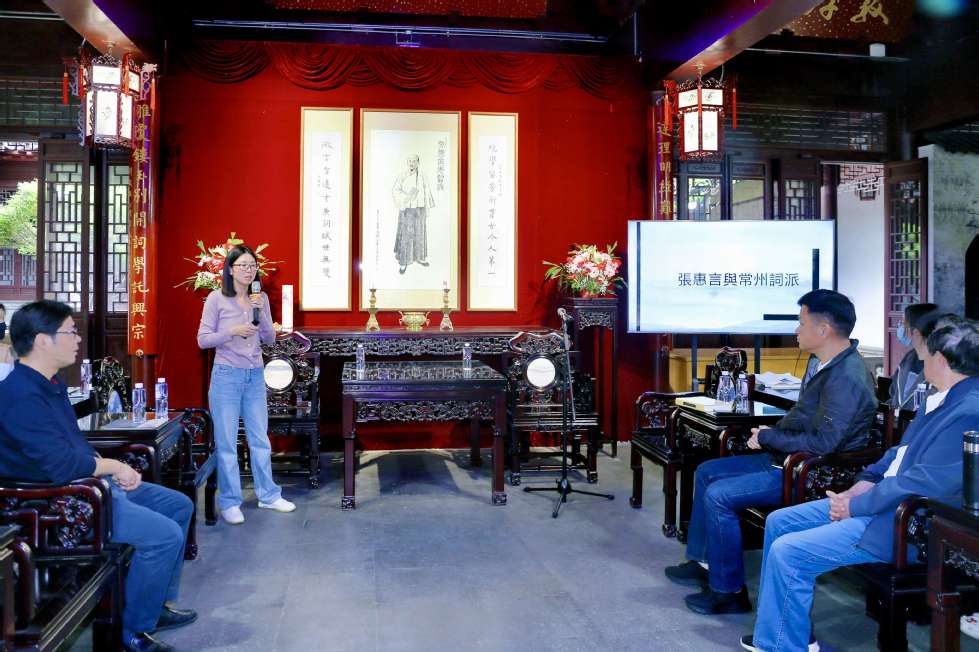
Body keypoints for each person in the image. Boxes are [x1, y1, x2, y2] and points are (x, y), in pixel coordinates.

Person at [740, 315, 979, 652]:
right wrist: (863, 483)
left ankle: (782, 646)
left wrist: (856, 505)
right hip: (881, 503)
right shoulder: (942, 398)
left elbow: (924, 483)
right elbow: (898, 453)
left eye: (925, 352)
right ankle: (785, 635)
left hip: (906, 522)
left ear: (940, 359)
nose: (919, 357)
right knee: (780, 521)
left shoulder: (969, 410)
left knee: (788, 552)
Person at [665, 289, 878, 616]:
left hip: (814, 472)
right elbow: (805, 420)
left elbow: (825, 444)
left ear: (823, 329)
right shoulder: (824, 363)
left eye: (801, 322)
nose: (796, 330)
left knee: (720, 495)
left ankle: (729, 591)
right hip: (789, 460)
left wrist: (768, 437)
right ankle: (705, 562)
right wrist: (769, 436)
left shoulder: (847, 377)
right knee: (707, 471)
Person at [0, 300, 197, 652]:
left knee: (178, 506)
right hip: (57, 505)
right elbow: (59, 465)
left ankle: (155, 605)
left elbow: (74, 445)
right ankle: (133, 632)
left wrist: (105, 467)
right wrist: (114, 467)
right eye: (70, 332)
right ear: (42, 340)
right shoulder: (18, 395)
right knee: (164, 536)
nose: (78, 339)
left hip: (85, 488)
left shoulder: (50, 384)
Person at [197, 244, 295, 525]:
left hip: (254, 374)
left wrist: (260, 313)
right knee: (227, 442)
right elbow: (202, 340)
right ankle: (230, 502)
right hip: (226, 375)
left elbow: (269, 338)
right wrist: (231, 331)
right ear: (230, 269)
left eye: (253, 265)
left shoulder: (259, 298)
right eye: (243, 265)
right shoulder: (216, 299)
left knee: (260, 438)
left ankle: (268, 495)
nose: (249, 270)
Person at [888, 302, 942, 410]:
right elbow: (894, 397)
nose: (899, 327)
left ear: (915, 332)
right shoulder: (908, 358)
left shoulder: (941, 368)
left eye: (903, 323)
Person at [392, 153, 435, 275]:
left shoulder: (423, 176)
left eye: (414, 161)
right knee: (407, 234)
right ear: (407, 162)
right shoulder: (402, 175)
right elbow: (395, 190)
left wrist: (427, 207)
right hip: (407, 209)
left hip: (420, 209)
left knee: (420, 233)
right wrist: (406, 197)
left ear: (418, 162)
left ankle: (420, 257)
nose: (412, 163)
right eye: (410, 161)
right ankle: (404, 261)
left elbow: (427, 190)